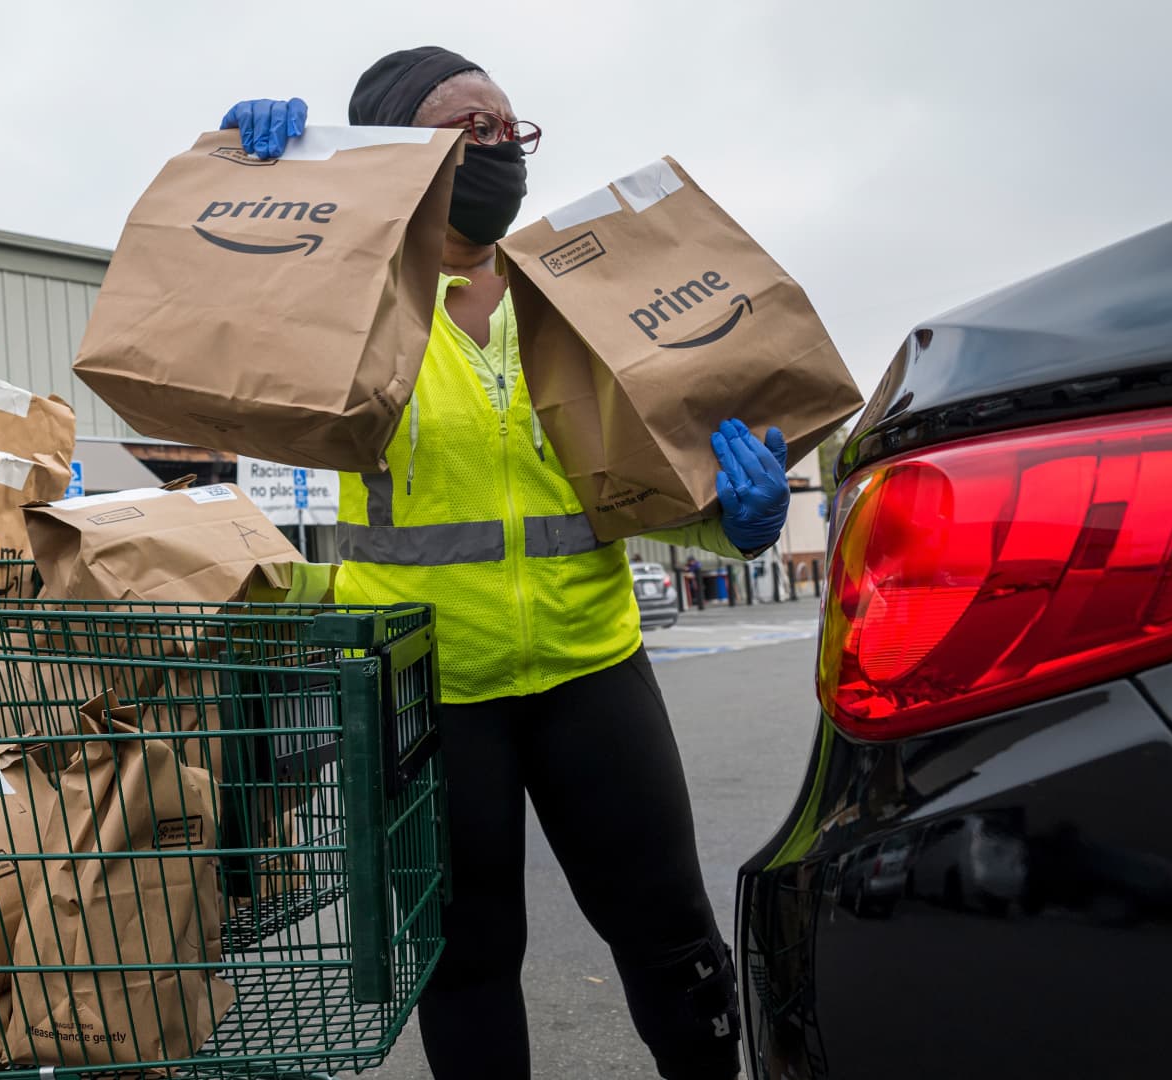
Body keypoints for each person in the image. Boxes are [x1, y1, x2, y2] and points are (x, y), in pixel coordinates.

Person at [222, 48, 790, 1080]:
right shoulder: (350, 304)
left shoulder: (572, 301)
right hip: (429, 695)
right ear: (402, 153)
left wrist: (734, 525)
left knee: (675, 944)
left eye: (507, 129)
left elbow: (638, 481)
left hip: (592, 672)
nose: (497, 149)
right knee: (469, 965)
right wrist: (267, 179)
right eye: (466, 130)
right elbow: (231, 324)